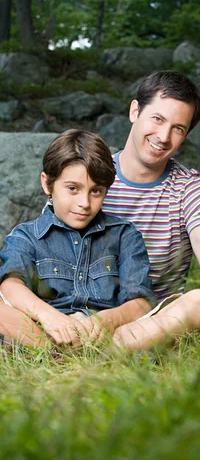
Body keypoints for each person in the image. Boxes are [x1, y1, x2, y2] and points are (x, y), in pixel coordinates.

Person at [101, 70, 200, 351]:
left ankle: (108, 348)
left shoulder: (192, 191)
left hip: (150, 324)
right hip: (81, 308)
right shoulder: (89, 175)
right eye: (158, 119)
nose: (164, 137)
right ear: (134, 111)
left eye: (178, 128)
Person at [0, 129, 155, 348]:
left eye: (96, 191)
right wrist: (52, 318)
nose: (84, 202)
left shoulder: (125, 235)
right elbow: (10, 285)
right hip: (45, 332)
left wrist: (104, 321)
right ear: (47, 184)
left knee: (198, 303)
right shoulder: (26, 236)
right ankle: (52, 352)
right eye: (73, 188)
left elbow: (141, 303)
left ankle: (94, 353)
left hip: (107, 335)